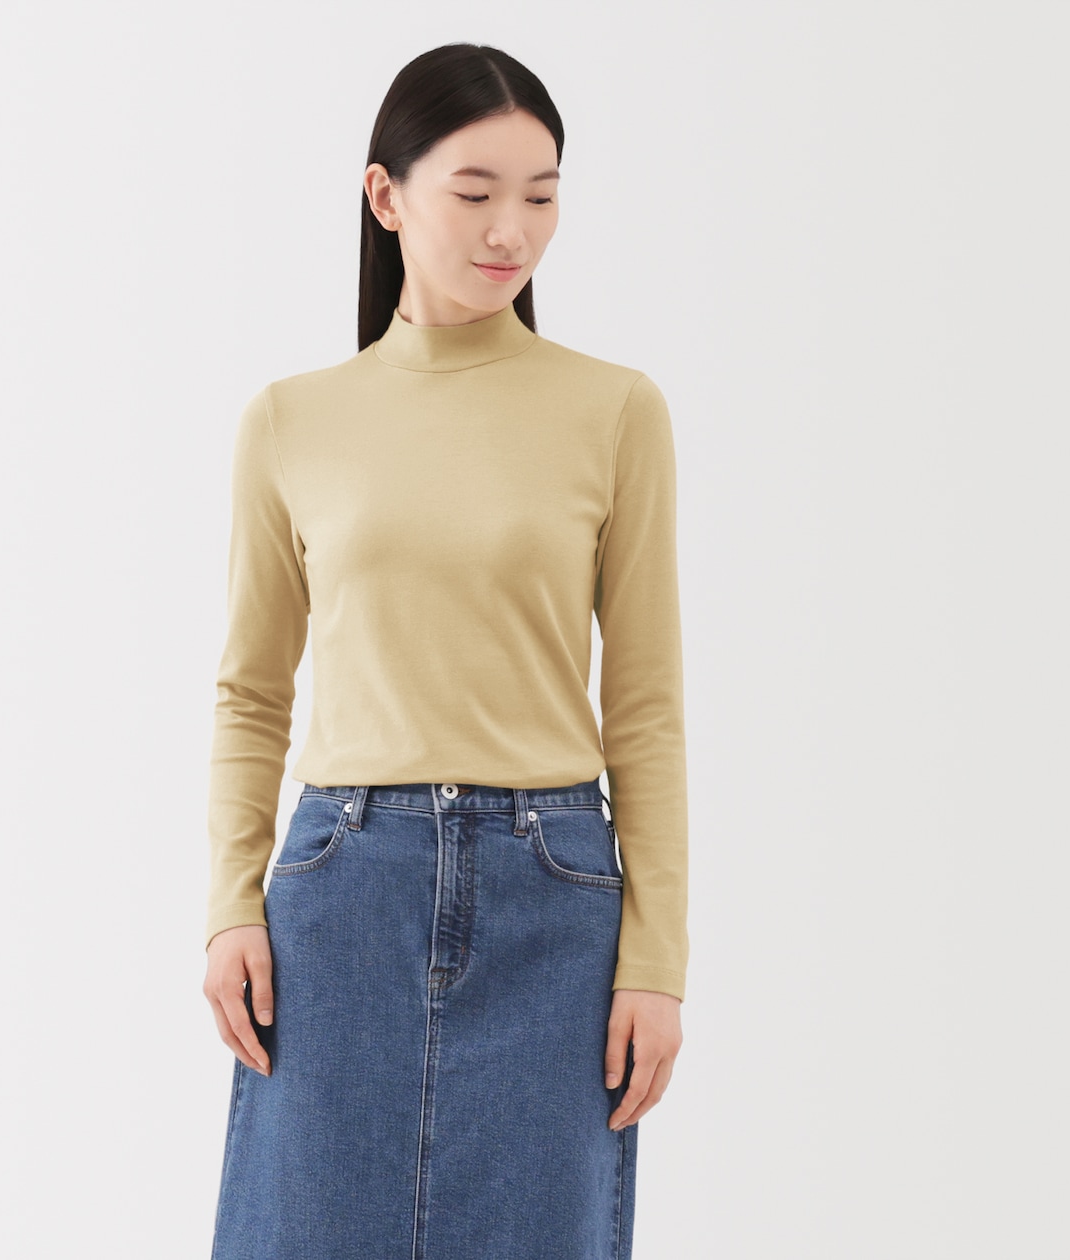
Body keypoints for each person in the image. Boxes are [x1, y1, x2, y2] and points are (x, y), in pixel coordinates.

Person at [201, 42, 688, 1260]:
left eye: (542, 194)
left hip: (553, 892)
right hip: (341, 890)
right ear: (387, 196)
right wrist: (228, 909)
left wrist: (657, 961)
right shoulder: (291, 420)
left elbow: (645, 707)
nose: (511, 231)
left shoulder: (616, 411)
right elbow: (251, 693)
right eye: (475, 193)